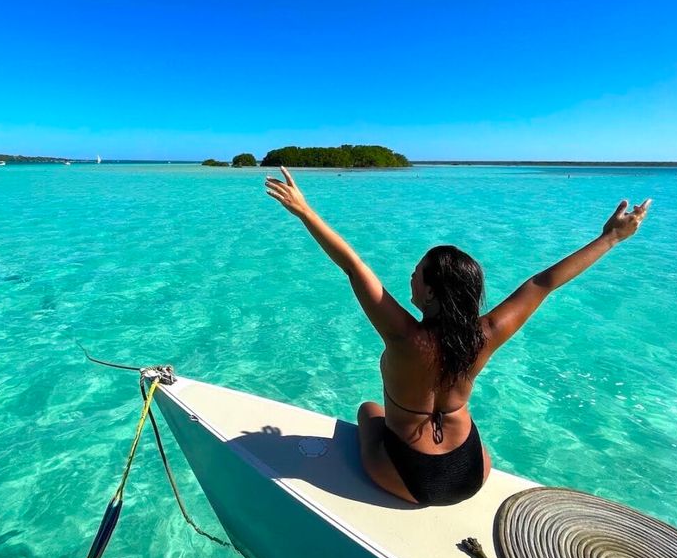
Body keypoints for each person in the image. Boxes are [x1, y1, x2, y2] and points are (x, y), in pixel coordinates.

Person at [265, 166, 651, 505]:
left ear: (430, 291)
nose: (411, 278)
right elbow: (542, 282)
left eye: (417, 272)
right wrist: (612, 239)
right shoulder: (487, 334)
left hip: (411, 478)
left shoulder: (403, 336)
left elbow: (352, 265)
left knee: (369, 411)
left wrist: (304, 211)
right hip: (472, 470)